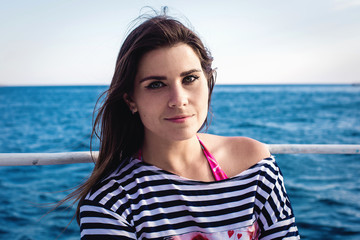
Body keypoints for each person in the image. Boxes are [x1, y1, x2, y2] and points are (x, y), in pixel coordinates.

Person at [75, 10, 300, 240]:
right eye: (156, 84)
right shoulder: (110, 203)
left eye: (189, 78)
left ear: (207, 80)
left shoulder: (254, 166)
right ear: (131, 100)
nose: (179, 99)